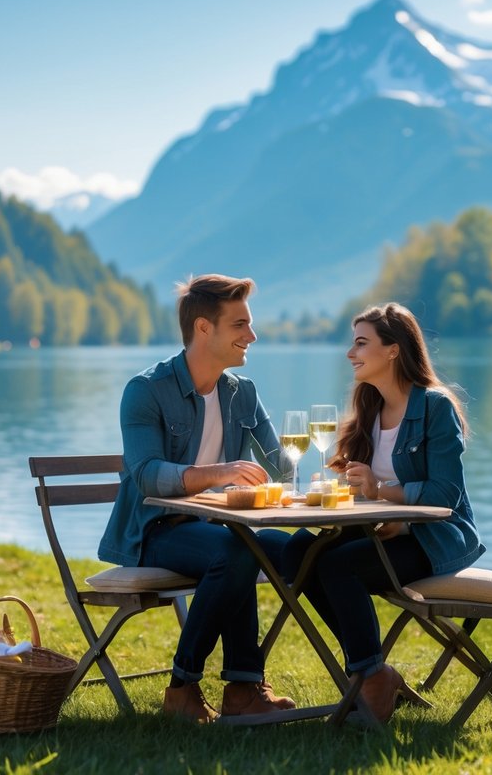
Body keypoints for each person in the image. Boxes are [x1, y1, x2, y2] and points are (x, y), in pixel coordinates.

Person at [97, 274, 295, 723]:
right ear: (204, 328)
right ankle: (184, 685)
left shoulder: (242, 393)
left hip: (217, 531)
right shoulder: (146, 391)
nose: (252, 336)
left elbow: (281, 466)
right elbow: (146, 476)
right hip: (155, 530)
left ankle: (365, 673)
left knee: (305, 549)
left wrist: (344, 461)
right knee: (237, 550)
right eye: (240, 325)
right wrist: (220, 472)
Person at [284, 302, 484, 723]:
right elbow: (366, 491)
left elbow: (445, 494)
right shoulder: (369, 405)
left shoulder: (435, 407)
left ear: (393, 350)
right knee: (297, 554)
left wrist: (383, 492)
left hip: (432, 538)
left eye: (361, 343)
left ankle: (371, 679)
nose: (349, 353)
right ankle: (374, 671)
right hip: (381, 530)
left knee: (339, 567)